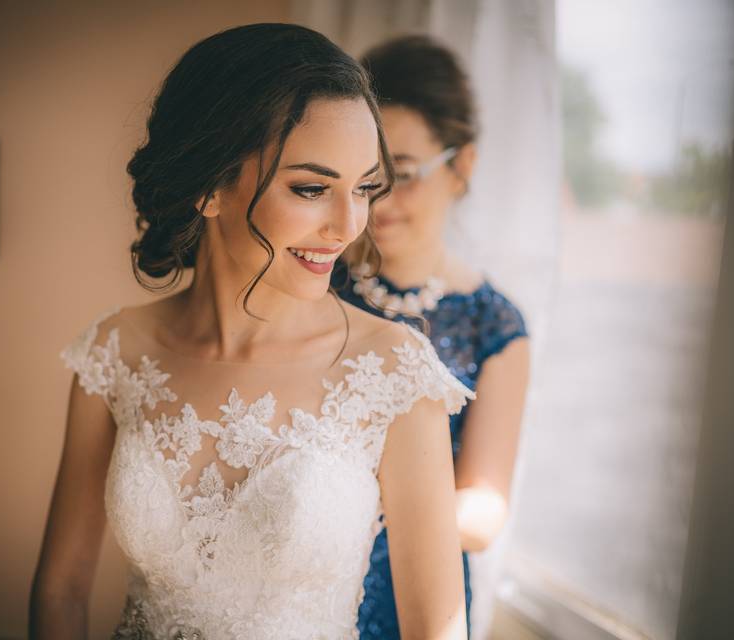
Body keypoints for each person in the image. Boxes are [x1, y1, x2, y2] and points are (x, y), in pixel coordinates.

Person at [30, 24, 476, 640]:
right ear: (210, 185)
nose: (348, 226)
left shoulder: (394, 372)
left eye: (365, 189)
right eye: (313, 189)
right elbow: (60, 591)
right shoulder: (116, 352)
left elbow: (439, 632)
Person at [333, 35, 531, 639]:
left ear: (462, 164)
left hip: (411, 597)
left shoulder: (493, 324)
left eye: (406, 174)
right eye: (370, 175)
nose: (382, 200)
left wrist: (345, 498)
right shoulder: (319, 283)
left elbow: (481, 514)